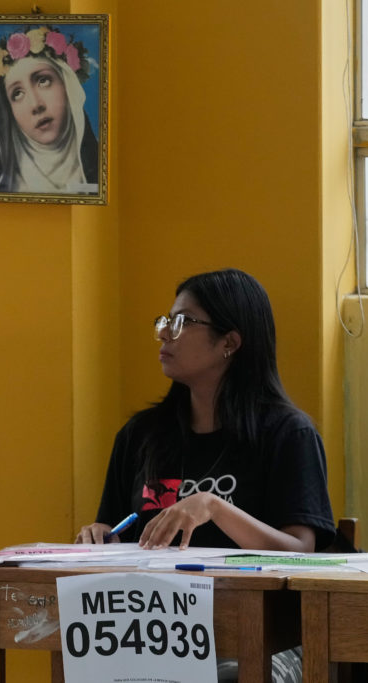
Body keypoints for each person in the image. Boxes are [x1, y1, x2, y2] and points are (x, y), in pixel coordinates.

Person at [75, 268, 334, 683]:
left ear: (230, 342)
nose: (163, 334)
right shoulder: (139, 436)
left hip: (264, 636)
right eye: (165, 321)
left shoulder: (288, 433)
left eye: (182, 323)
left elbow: (301, 553)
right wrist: (97, 535)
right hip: (149, 630)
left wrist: (214, 507)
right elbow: (114, 528)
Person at [0, 26, 99, 195]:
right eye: (17, 94)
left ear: (68, 85)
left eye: (43, 80)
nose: (35, 105)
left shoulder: (102, 182)